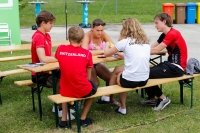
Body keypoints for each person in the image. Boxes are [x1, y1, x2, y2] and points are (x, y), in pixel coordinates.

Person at [31, 10, 74, 119]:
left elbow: (50, 54)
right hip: (39, 74)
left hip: (49, 70)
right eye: (50, 23)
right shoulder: (38, 36)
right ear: (43, 23)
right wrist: (61, 59)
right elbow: (43, 58)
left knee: (70, 75)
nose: (52, 25)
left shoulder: (47, 36)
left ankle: (67, 103)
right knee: (61, 81)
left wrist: (65, 55)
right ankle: (59, 108)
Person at [141, 12, 188, 111]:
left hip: (177, 68)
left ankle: (163, 98)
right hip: (170, 65)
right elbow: (152, 47)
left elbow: (156, 50)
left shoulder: (172, 34)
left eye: (157, 23)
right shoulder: (165, 34)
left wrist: (135, 52)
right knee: (144, 72)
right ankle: (152, 98)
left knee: (145, 73)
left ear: (164, 22)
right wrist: (140, 49)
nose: (155, 25)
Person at [103, 18, 150, 115]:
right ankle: (107, 97)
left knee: (118, 75)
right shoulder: (146, 42)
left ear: (125, 29)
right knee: (117, 69)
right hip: (144, 79)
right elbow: (136, 56)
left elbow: (107, 53)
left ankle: (122, 106)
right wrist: (124, 55)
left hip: (130, 80)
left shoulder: (125, 42)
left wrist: (106, 45)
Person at [55, 26, 98, 128]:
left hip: (65, 89)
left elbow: (60, 59)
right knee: (94, 86)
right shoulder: (87, 53)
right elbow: (88, 76)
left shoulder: (60, 49)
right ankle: (83, 118)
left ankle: (63, 120)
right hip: (82, 89)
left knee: (66, 87)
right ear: (82, 40)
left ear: (68, 37)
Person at [82, 18, 120, 106]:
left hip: (97, 63)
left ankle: (109, 98)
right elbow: (84, 52)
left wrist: (102, 49)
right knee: (95, 82)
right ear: (92, 28)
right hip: (87, 65)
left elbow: (114, 47)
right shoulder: (87, 36)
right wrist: (102, 51)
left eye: (102, 30)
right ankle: (84, 104)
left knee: (110, 78)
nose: (100, 33)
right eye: (97, 30)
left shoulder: (103, 35)